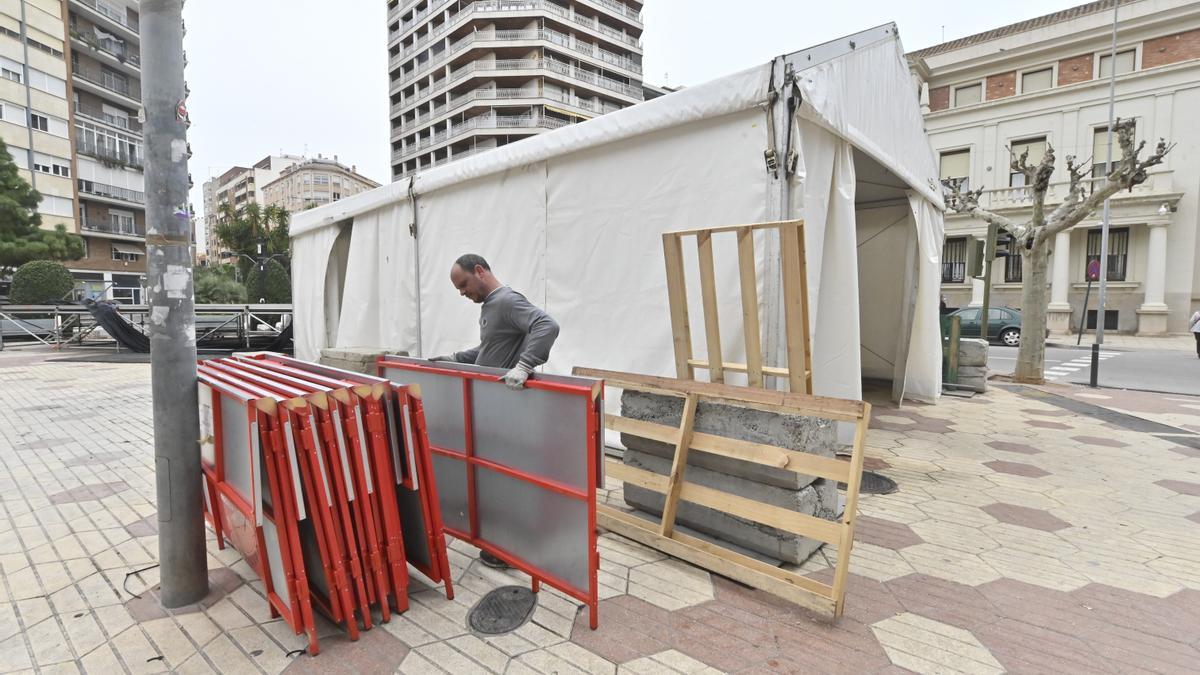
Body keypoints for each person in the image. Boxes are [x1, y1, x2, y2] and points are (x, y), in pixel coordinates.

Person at [430, 253, 560, 569]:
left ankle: (516, 549)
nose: (462, 293)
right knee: (497, 480)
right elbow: (490, 348)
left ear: (480, 271)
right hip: (494, 409)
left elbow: (547, 325)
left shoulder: (505, 300)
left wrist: (524, 366)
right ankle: (505, 544)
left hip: (508, 409)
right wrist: (456, 358)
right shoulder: (492, 307)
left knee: (509, 482)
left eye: (463, 285)